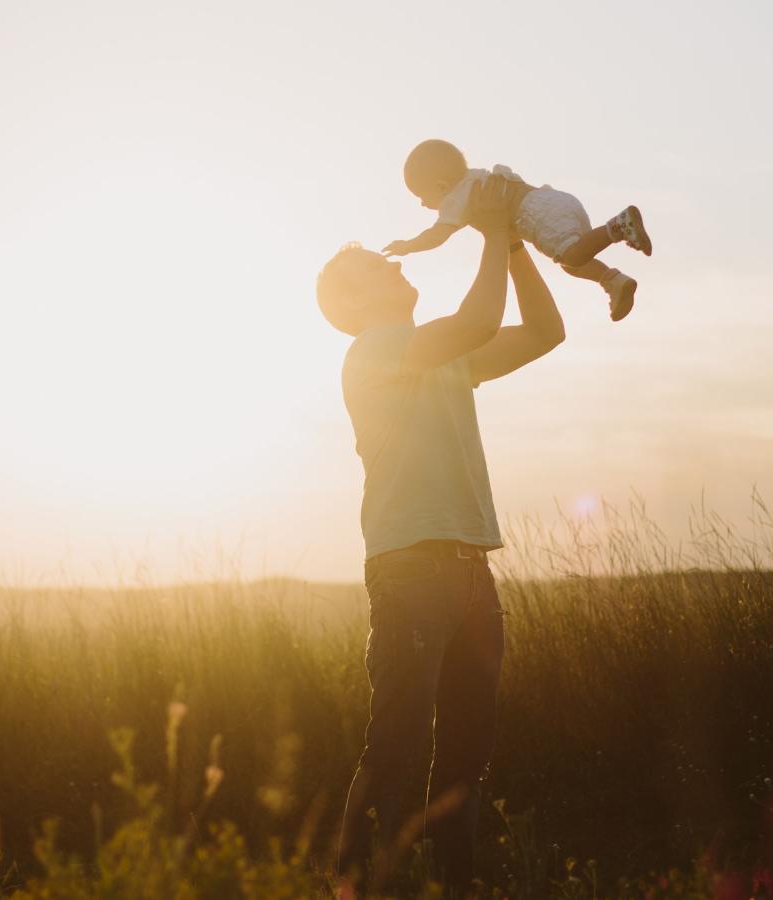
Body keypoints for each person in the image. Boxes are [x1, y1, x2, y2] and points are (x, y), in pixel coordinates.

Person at [317, 173, 566, 895]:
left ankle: (455, 885)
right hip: (410, 573)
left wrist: (513, 242)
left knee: (465, 755)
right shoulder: (374, 353)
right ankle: (354, 887)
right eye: (378, 268)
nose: (396, 264)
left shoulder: (439, 353)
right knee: (394, 746)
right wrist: (489, 227)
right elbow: (477, 323)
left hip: (468, 571)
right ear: (355, 303)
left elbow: (545, 332)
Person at [381, 138, 652, 322]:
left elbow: (436, 236)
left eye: (422, 195)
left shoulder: (456, 197)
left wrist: (408, 245)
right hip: (556, 202)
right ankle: (613, 281)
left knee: (571, 256)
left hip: (538, 216)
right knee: (570, 263)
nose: (422, 203)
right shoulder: (476, 177)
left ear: (441, 186)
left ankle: (618, 226)